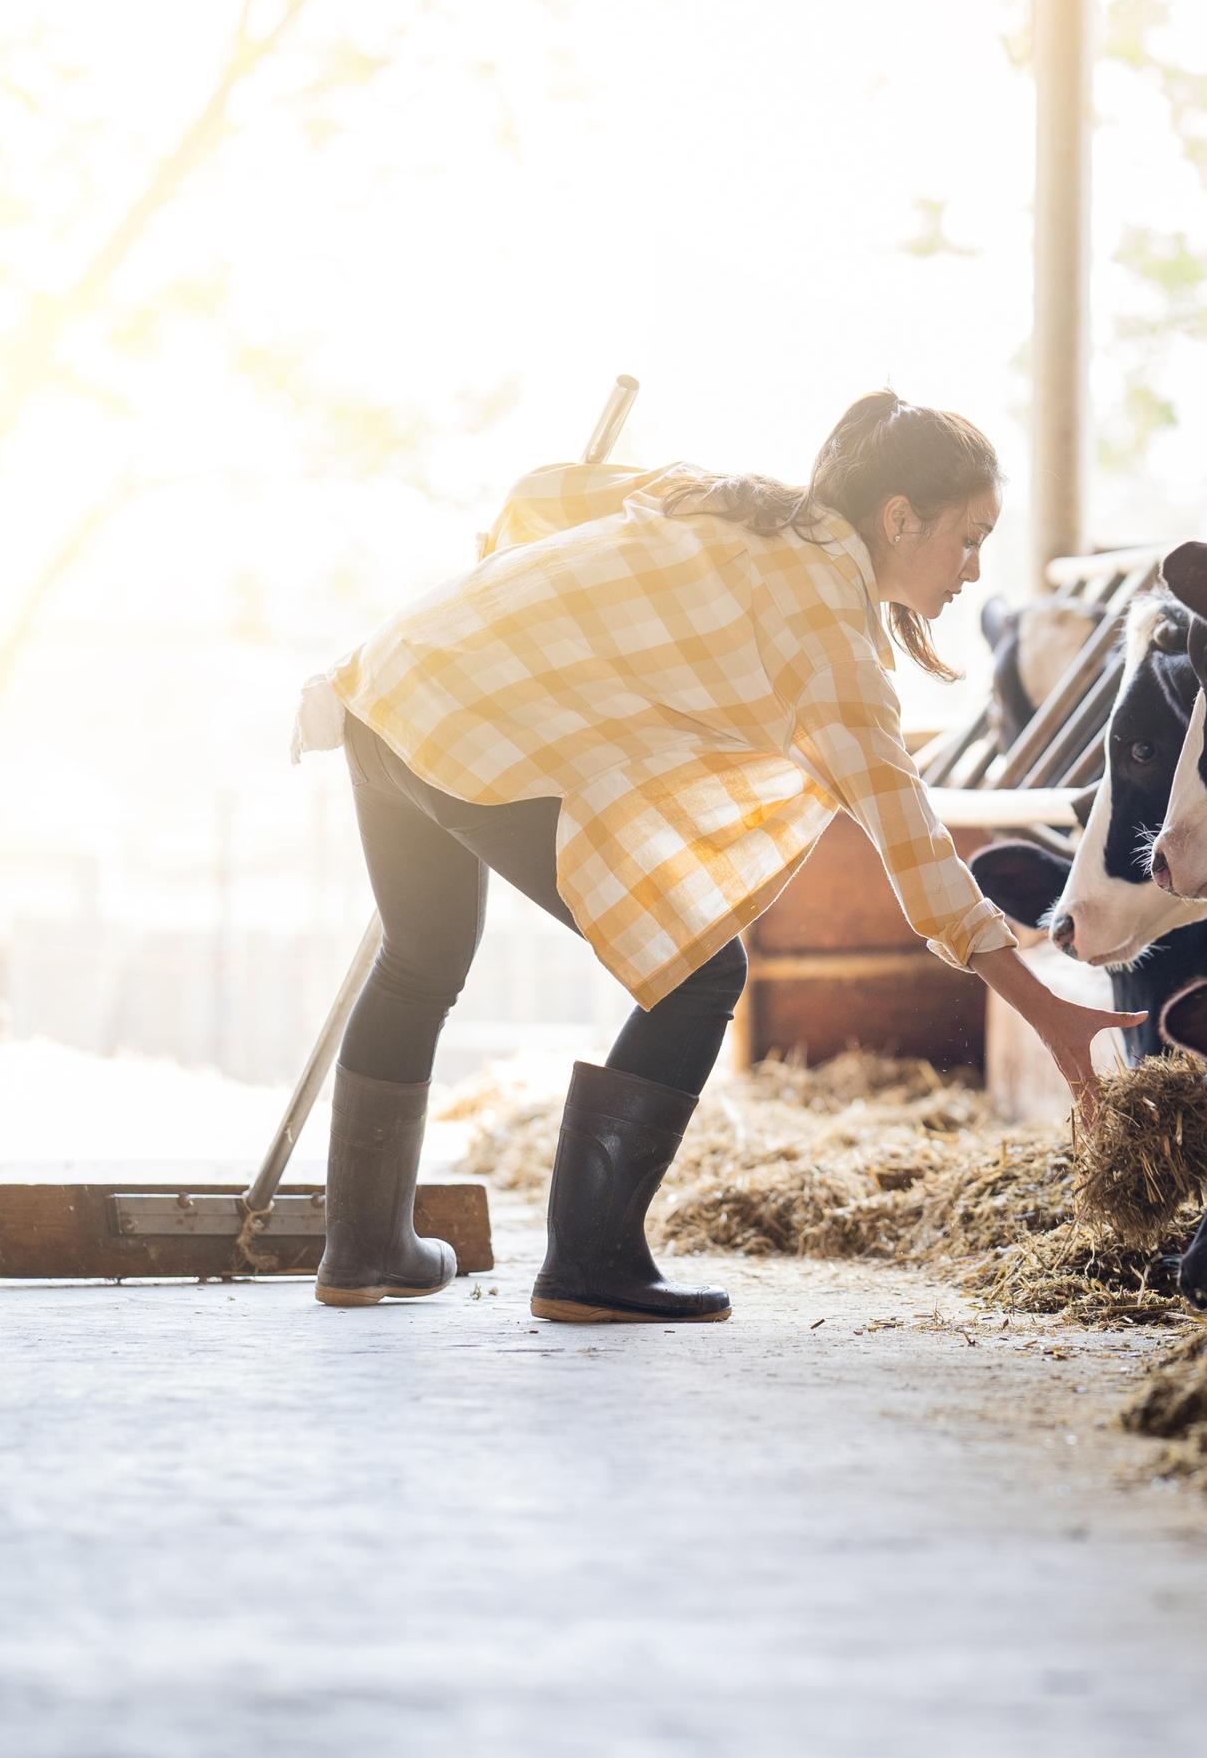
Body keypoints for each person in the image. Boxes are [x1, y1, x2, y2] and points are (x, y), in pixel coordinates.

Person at [297, 389, 1144, 1322]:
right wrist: (1048, 1011)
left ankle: (364, 1250)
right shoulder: (828, 635)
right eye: (969, 536)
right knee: (703, 973)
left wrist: (502, 613)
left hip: (386, 680)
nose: (975, 569)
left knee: (419, 958)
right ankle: (590, 1264)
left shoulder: (730, 500)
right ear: (900, 518)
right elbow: (916, 848)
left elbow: (548, 492)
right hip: (470, 731)